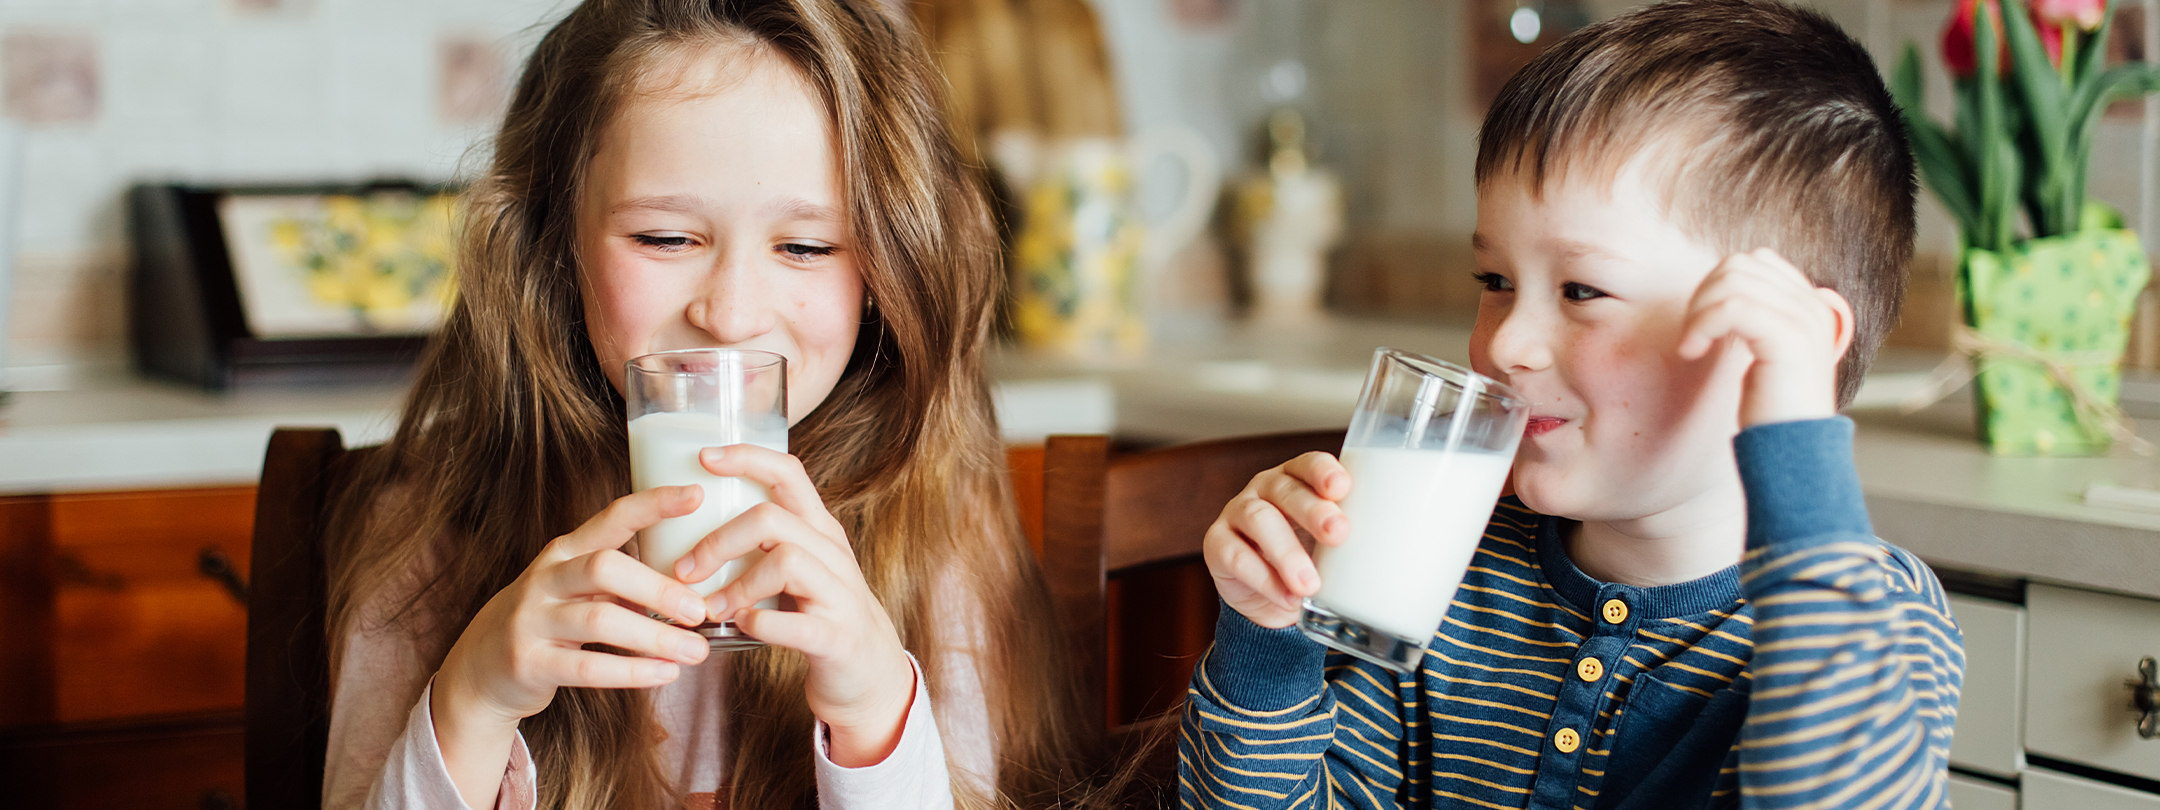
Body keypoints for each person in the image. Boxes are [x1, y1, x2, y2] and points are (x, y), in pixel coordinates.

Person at [1180, 1, 1965, 807]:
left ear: (1784, 339)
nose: (1508, 340)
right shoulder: (1441, 569)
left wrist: (1797, 433)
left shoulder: (1870, 619)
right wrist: (1269, 641)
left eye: (1583, 289)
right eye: (1495, 282)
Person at [321, 1, 1084, 808]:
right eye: (666, 239)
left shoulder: (937, 532)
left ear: (887, 272)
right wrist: (473, 701)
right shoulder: (432, 526)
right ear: (553, 246)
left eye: (806, 247)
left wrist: (874, 716)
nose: (730, 313)